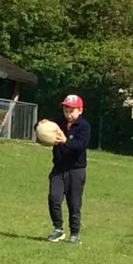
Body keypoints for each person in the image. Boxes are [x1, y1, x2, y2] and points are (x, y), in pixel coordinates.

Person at [44, 94, 91, 244]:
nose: (68, 114)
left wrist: (65, 141)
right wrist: (41, 125)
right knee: (54, 197)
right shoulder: (58, 122)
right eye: (66, 110)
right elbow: (44, 130)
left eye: (72, 111)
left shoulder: (83, 126)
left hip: (76, 170)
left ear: (80, 111)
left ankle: (75, 234)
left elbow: (80, 145)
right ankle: (58, 229)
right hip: (59, 168)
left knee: (74, 203)